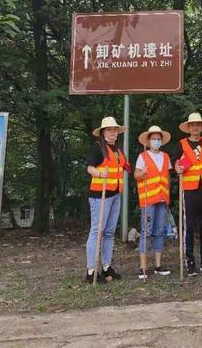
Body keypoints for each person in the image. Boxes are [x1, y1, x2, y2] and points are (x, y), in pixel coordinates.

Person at [86, 117, 130, 284]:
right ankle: (91, 271)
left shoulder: (117, 149)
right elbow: (89, 167)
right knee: (97, 231)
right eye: (110, 129)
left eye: (115, 130)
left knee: (109, 232)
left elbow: (124, 167)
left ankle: (106, 267)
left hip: (115, 193)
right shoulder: (97, 147)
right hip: (99, 195)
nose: (113, 132)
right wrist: (99, 173)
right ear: (103, 132)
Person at [174, 113, 202, 276]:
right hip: (190, 190)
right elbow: (176, 162)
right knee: (190, 226)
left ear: (201, 127)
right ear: (188, 127)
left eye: (198, 125)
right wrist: (178, 167)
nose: (195, 127)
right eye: (192, 125)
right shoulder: (182, 144)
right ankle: (190, 260)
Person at [134, 125, 172, 280]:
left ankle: (157, 265)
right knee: (146, 231)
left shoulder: (166, 156)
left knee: (159, 231)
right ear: (148, 141)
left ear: (161, 141)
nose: (156, 141)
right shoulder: (143, 156)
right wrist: (141, 173)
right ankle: (143, 267)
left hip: (163, 198)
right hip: (148, 198)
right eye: (153, 139)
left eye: (158, 139)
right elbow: (136, 175)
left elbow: (167, 176)